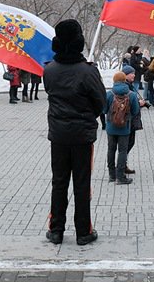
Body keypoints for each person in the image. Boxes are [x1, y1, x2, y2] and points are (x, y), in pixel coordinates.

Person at [43, 19, 105, 246]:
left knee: (59, 182)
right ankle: (83, 231)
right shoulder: (88, 71)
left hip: (58, 136)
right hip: (82, 136)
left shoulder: (49, 70)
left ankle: (56, 230)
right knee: (81, 183)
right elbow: (100, 103)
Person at [105, 71, 140, 185]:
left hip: (111, 127)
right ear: (125, 80)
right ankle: (120, 177)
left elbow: (104, 110)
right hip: (125, 127)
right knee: (122, 151)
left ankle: (111, 175)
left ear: (114, 80)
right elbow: (135, 111)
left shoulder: (109, 94)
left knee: (111, 149)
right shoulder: (132, 94)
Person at [122, 64, 145, 176]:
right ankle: (121, 165)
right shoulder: (125, 87)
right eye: (132, 73)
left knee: (130, 142)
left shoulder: (130, 85)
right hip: (128, 120)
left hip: (132, 119)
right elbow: (127, 103)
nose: (134, 75)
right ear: (126, 75)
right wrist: (138, 103)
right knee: (127, 144)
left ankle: (123, 164)